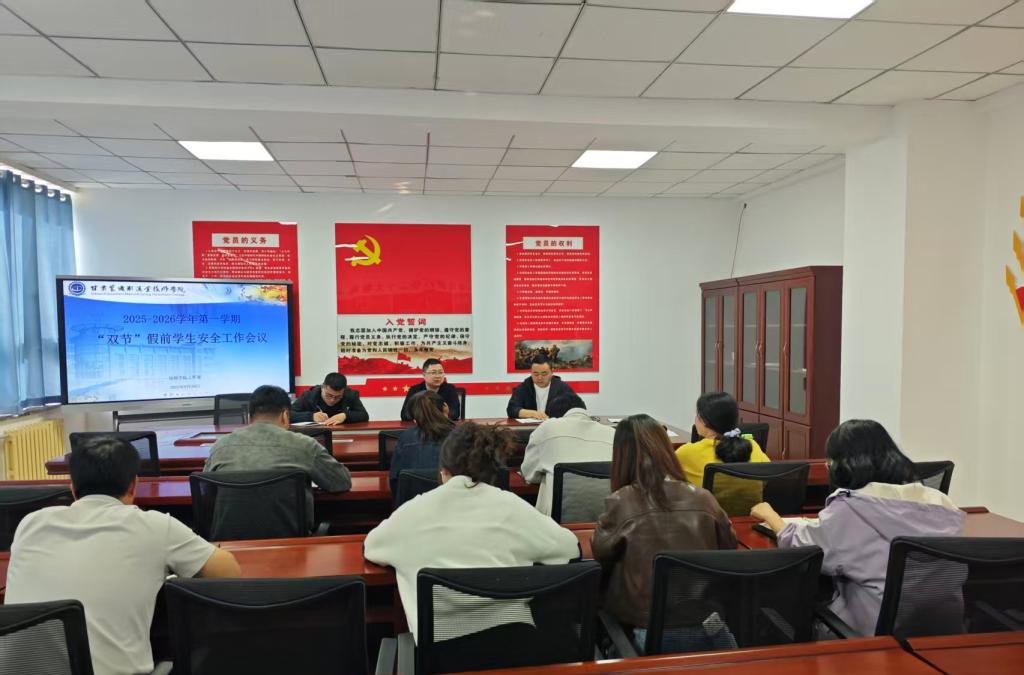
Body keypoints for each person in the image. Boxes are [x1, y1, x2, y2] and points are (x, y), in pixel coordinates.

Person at [5, 436, 240, 675]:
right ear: (133, 485)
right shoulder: (155, 527)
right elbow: (229, 573)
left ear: (73, 488)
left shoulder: (30, 524)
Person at [364, 422, 580, 643]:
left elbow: (371, 546)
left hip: (440, 655)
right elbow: (570, 548)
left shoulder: (414, 511)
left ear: (443, 471)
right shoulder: (513, 507)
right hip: (514, 649)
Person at [751, 419, 965, 636]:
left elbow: (806, 548)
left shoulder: (851, 508)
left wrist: (771, 517)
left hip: (868, 637)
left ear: (844, 465)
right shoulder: (941, 502)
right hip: (942, 637)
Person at [592, 414, 737, 654]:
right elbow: (729, 547)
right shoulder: (704, 498)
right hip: (708, 627)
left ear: (621, 457)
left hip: (646, 632)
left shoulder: (622, 501)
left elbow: (600, 553)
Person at [206, 384, 352, 527]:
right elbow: (340, 482)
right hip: (290, 538)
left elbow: (205, 490)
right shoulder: (304, 445)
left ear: (249, 418)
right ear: (285, 415)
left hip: (228, 539)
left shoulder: (220, 447)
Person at [675, 392, 771, 516]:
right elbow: (768, 478)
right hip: (749, 520)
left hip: (709, 522)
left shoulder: (687, 453)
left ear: (703, 421)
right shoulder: (753, 446)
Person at [520, 393, 614, 516]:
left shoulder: (548, 427)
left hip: (557, 522)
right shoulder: (612, 433)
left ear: (553, 416)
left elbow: (528, 474)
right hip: (605, 519)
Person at [390, 390, 456, 494]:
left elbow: (395, 480)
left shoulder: (406, 438)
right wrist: (446, 417)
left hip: (414, 501)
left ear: (414, 417)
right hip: (452, 500)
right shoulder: (460, 435)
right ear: (445, 407)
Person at [506, 354, 577, 420]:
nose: (540, 378)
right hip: (530, 428)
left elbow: (577, 409)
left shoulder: (562, 388)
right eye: (536, 374)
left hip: (555, 427)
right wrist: (533, 414)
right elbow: (511, 410)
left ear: (552, 372)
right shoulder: (523, 387)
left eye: (544, 374)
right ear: (531, 372)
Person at [290, 372, 369, 425]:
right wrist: (311, 416)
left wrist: (345, 415)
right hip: (315, 435)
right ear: (322, 387)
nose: (332, 400)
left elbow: (364, 415)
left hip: (342, 433)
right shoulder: (309, 395)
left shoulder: (350, 395)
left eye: (338, 397)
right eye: (329, 395)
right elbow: (288, 415)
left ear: (344, 391)